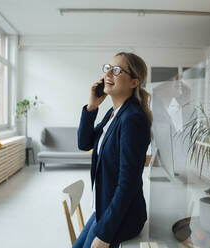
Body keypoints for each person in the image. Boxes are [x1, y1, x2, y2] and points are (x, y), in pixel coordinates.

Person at [75, 52, 152, 248]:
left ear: (134, 82)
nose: (108, 73)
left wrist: (105, 235)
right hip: (104, 209)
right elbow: (84, 144)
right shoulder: (114, 113)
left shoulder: (132, 119)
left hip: (121, 218)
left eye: (116, 70)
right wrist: (92, 106)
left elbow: (128, 183)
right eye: (108, 68)